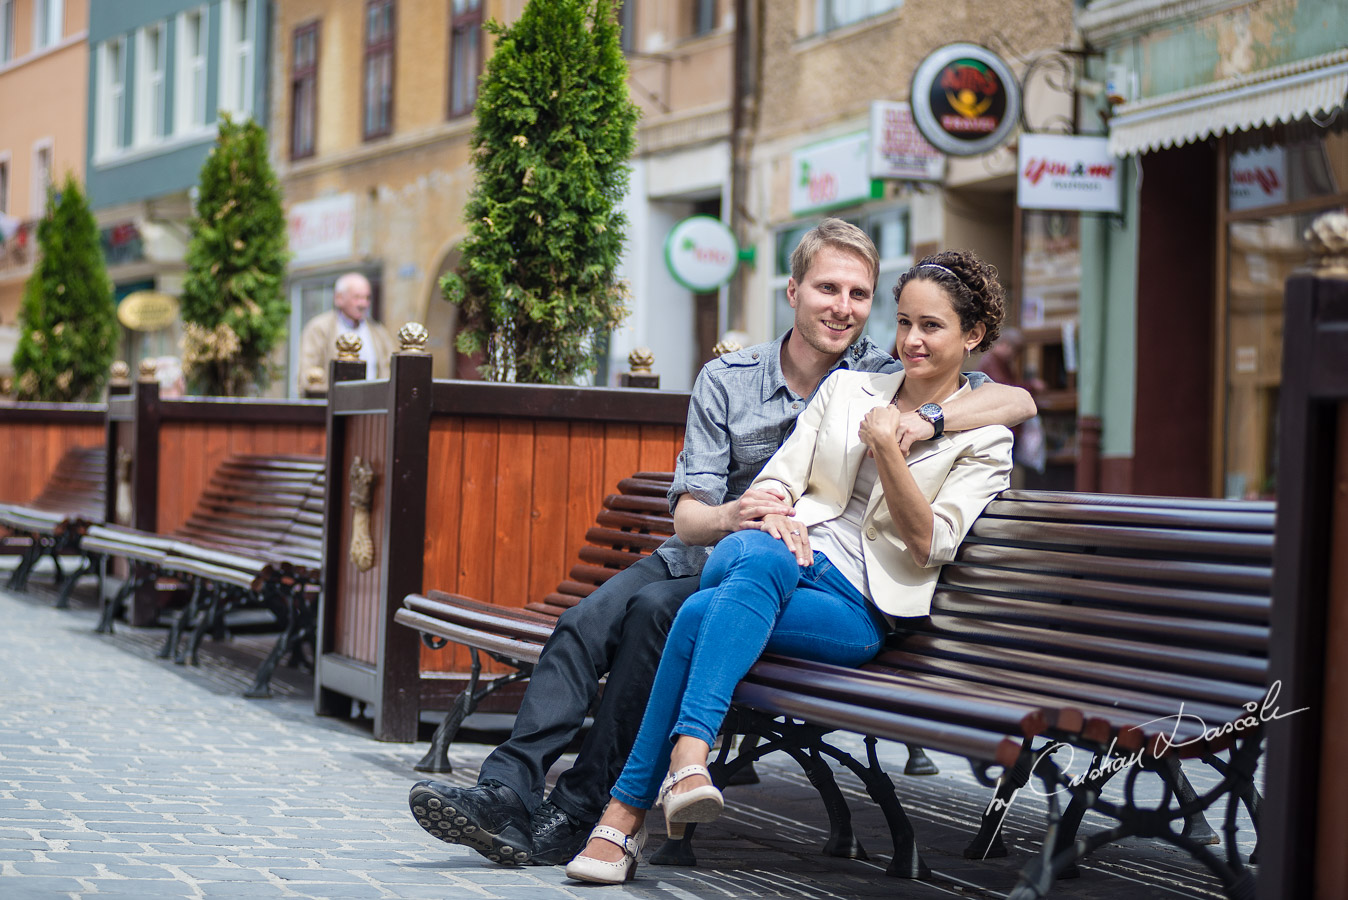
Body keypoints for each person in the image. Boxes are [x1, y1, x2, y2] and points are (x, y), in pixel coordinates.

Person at [408, 222, 1035, 867]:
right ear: (792, 291)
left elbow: (1011, 399)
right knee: (583, 622)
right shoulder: (734, 378)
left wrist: (920, 420)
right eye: (827, 288)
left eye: (858, 294)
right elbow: (688, 520)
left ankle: (586, 809)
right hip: (710, 550)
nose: (843, 308)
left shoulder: (882, 371)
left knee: (665, 617)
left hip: (804, 572)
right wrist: (744, 512)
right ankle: (505, 789)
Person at [563, 248, 1014, 884]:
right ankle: (675, 773)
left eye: (932, 326)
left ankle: (636, 805)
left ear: (972, 336)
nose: (912, 340)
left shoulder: (985, 437)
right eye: (905, 322)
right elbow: (782, 475)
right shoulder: (850, 387)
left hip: (858, 606)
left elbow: (929, 544)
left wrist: (888, 444)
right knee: (752, 547)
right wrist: (774, 507)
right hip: (787, 562)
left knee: (697, 610)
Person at [297, 272, 395, 389]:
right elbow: (307, 374)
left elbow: (390, 369)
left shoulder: (379, 332)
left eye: (367, 298)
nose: (363, 303)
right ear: (339, 298)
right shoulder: (319, 329)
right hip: (334, 404)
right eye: (357, 297)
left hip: (374, 403)